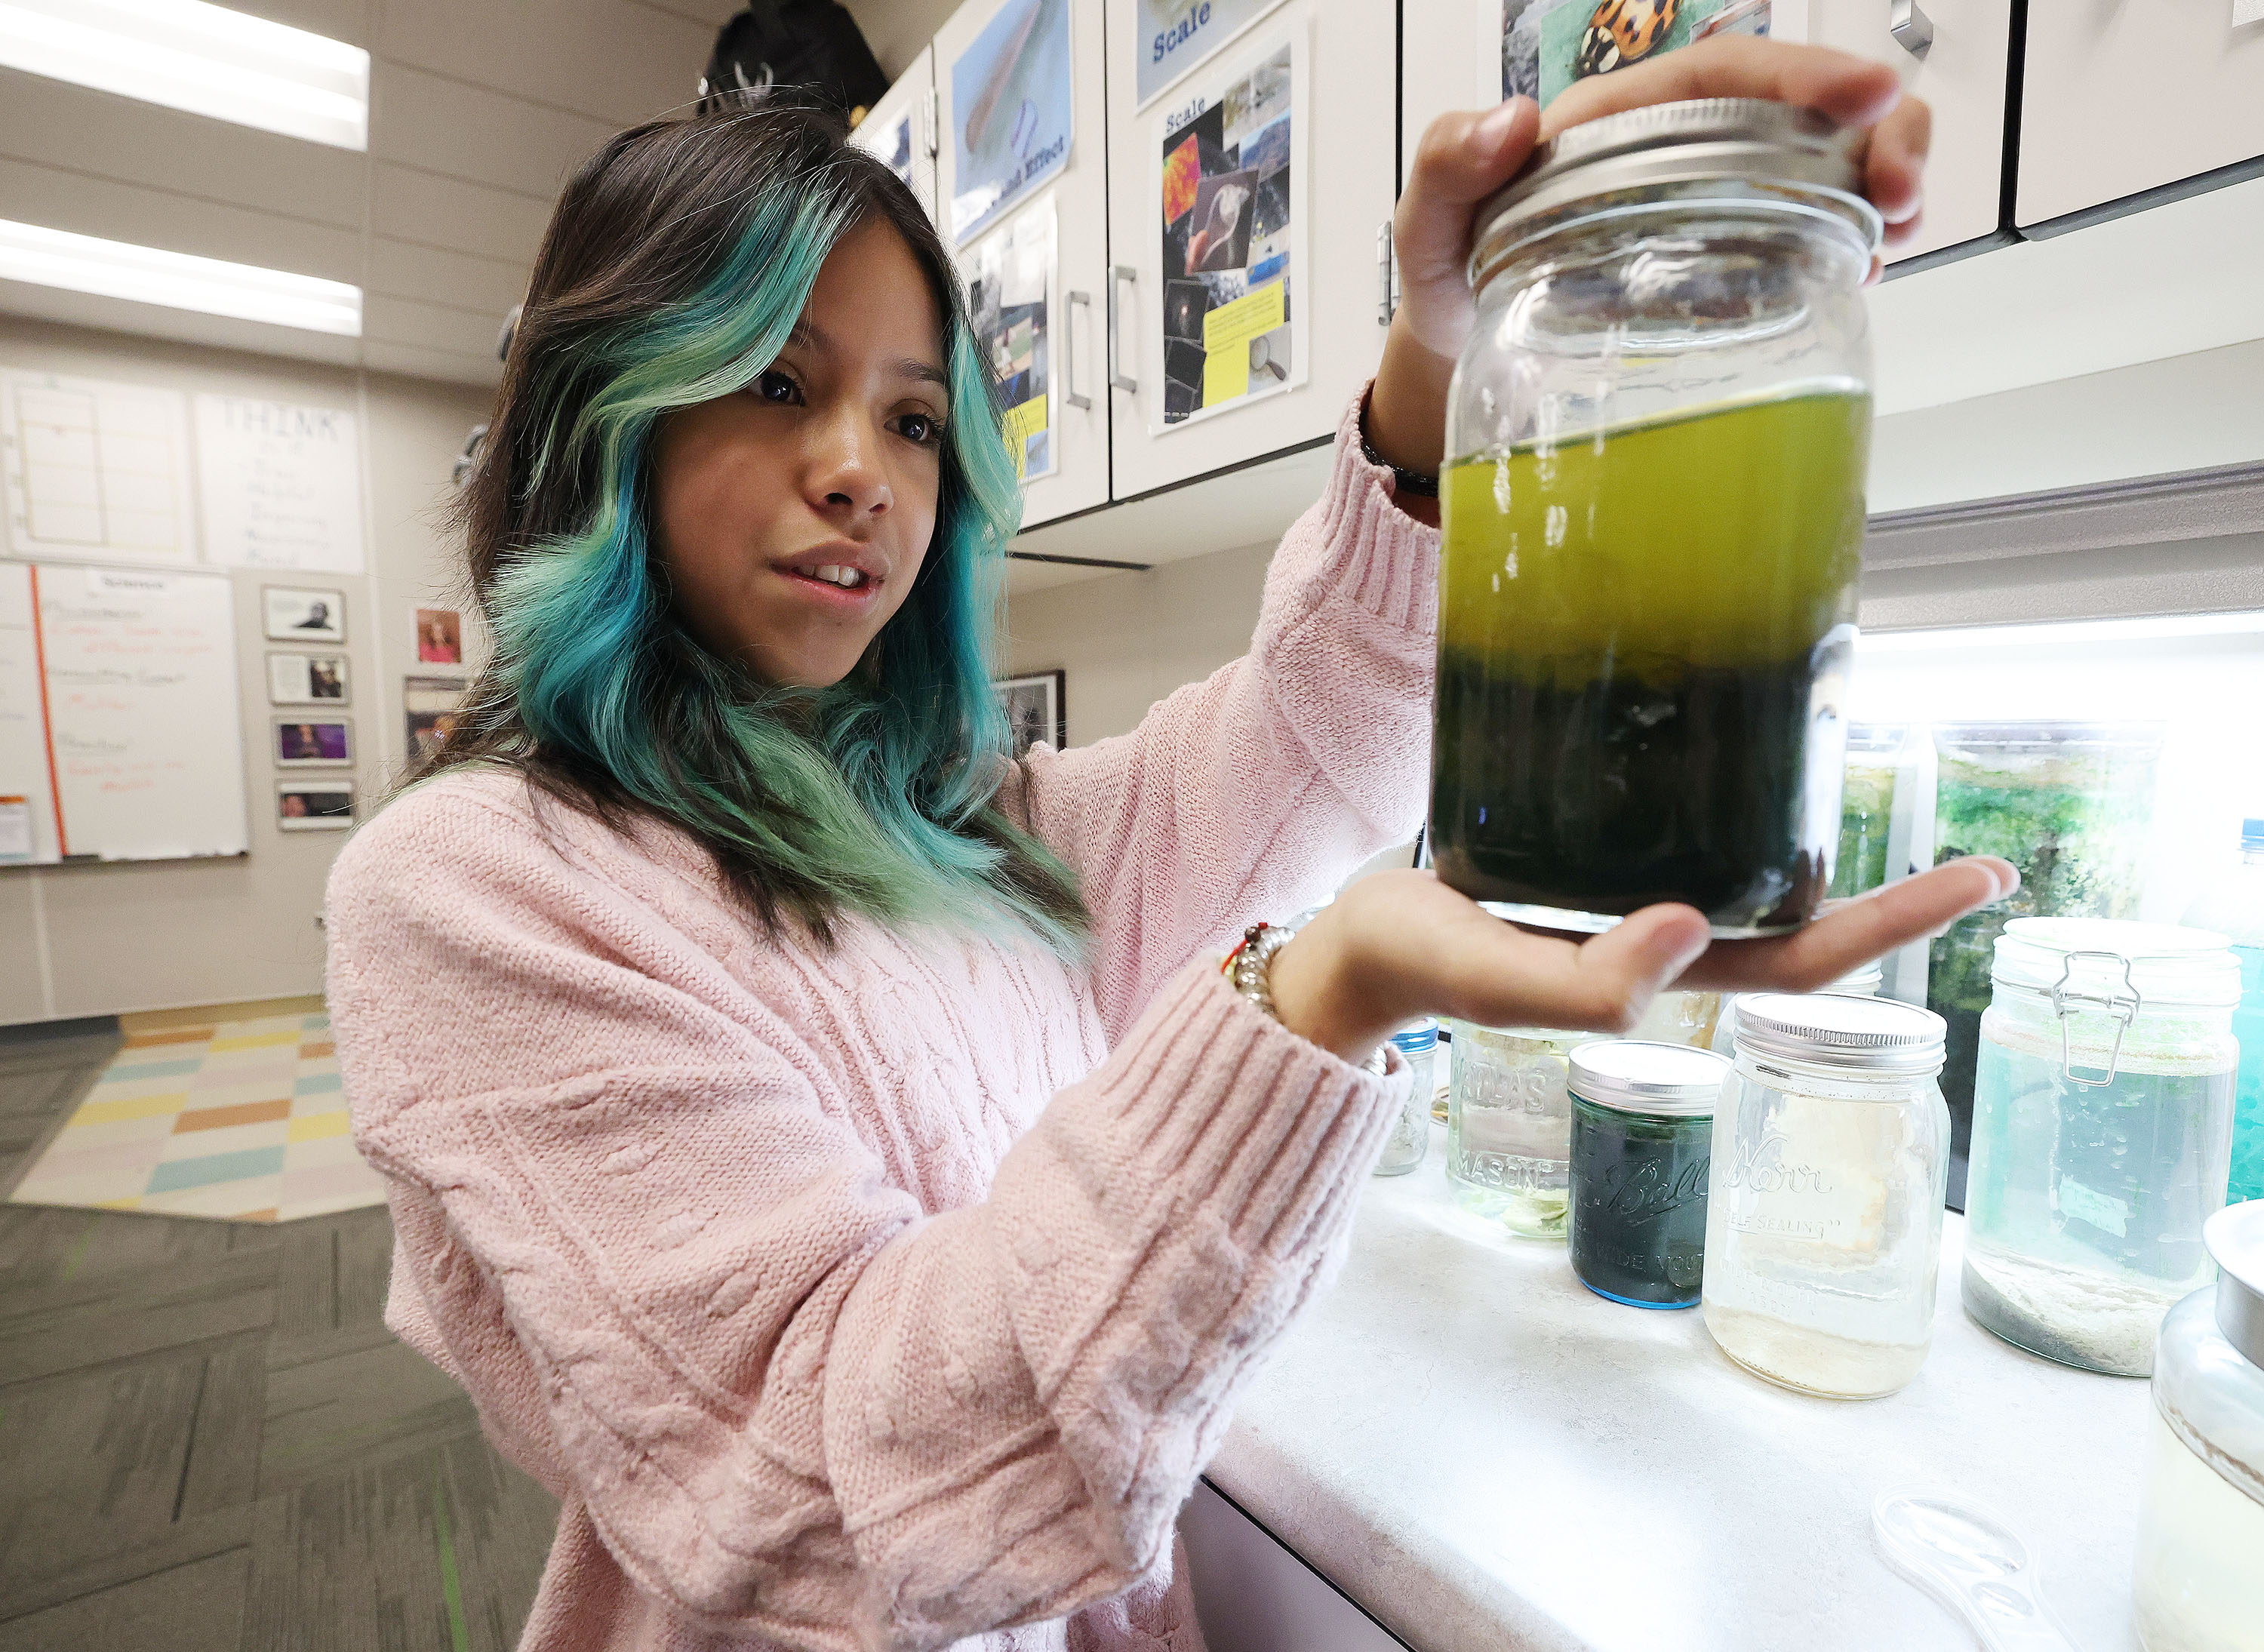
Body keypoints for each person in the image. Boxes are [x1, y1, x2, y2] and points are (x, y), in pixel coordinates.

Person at [325, 42, 1998, 1652]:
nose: (861, 473)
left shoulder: (970, 832)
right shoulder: (475, 890)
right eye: (776, 385)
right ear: (601, 417)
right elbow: (824, 1488)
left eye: (916, 421)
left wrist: (1444, 343)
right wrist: (1312, 994)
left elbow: (1309, 728)